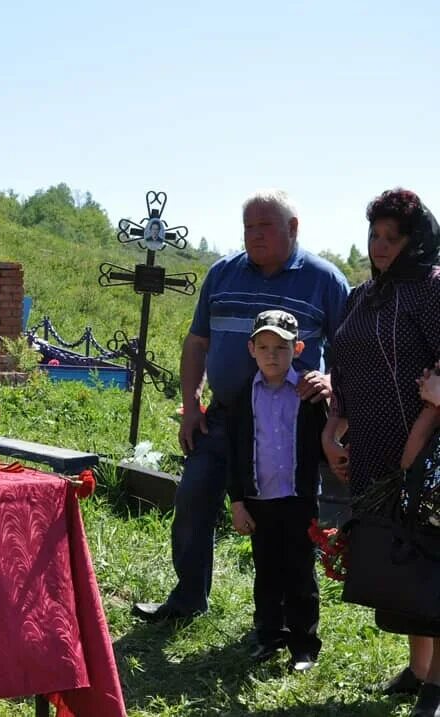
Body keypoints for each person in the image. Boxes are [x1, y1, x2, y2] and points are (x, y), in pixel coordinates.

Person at [132, 189, 350, 623]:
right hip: (225, 417)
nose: (254, 235)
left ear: (292, 228)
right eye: (248, 226)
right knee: (194, 494)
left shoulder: (324, 280)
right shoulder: (223, 274)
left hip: (290, 428)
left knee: (285, 522)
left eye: (264, 226)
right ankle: (188, 597)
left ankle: (286, 620)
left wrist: (330, 381)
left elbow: (351, 348)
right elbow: (197, 342)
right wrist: (191, 403)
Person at [324, 188, 440, 714]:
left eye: (392, 237)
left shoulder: (433, 289)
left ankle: (438, 683)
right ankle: (419, 669)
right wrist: (333, 429)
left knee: (431, 562)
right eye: (374, 235)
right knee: (398, 563)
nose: (380, 246)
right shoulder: (361, 295)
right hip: (373, 449)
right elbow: (343, 371)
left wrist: (417, 442)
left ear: (416, 241)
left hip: (426, 458)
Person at [226, 310, 326, 672]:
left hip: (298, 498)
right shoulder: (242, 397)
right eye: (264, 346)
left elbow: (328, 444)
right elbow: (234, 454)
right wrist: (238, 501)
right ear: (251, 348)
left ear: (297, 348)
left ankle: (304, 645)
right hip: (258, 499)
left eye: (281, 348)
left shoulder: (309, 395)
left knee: (300, 570)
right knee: (266, 571)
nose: (272, 355)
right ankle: (269, 634)